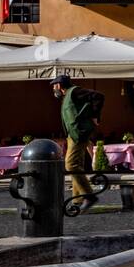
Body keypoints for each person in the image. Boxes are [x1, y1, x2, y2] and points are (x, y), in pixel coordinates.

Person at [51, 74, 104, 211]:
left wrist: (94, 115)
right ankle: (77, 200)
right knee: (77, 165)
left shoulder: (75, 91)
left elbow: (98, 96)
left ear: (60, 85)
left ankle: (89, 196)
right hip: (73, 135)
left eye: (54, 86)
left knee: (71, 165)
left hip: (78, 134)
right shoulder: (68, 95)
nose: (53, 89)